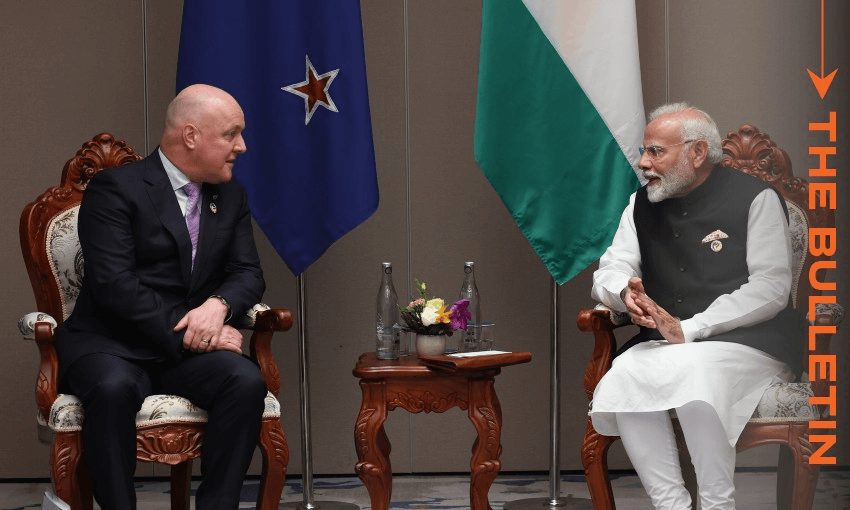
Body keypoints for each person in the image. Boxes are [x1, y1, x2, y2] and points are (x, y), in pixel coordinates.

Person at [56, 84, 267, 510]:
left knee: (246, 381)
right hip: (113, 344)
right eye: (231, 134)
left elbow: (248, 272)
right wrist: (197, 331)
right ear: (191, 136)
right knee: (113, 388)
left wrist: (217, 307)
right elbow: (115, 285)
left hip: (184, 354)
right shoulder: (115, 188)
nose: (241, 146)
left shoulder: (230, 195)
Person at [589, 103, 803, 510]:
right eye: (644, 151)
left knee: (698, 373)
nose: (643, 162)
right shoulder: (640, 204)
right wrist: (624, 293)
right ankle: (671, 505)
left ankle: (717, 505)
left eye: (655, 152)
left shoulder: (755, 198)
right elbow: (611, 268)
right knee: (627, 373)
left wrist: (693, 328)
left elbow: (771, 288)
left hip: (750, 341)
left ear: (697, 153)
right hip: (669, 345)